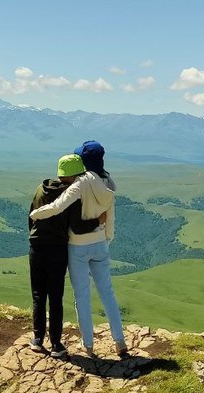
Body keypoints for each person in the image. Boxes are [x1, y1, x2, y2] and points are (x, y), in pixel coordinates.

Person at [29, 141, 127, 358]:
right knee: (108, 293)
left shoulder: (81, 183)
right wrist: (106, 238)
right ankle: (120, 342)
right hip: (100, 243)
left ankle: (89, 345)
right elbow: (109, 217)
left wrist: (35, 215)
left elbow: (57, 207)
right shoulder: (109, 182)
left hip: (78, 246)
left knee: (82, 296)